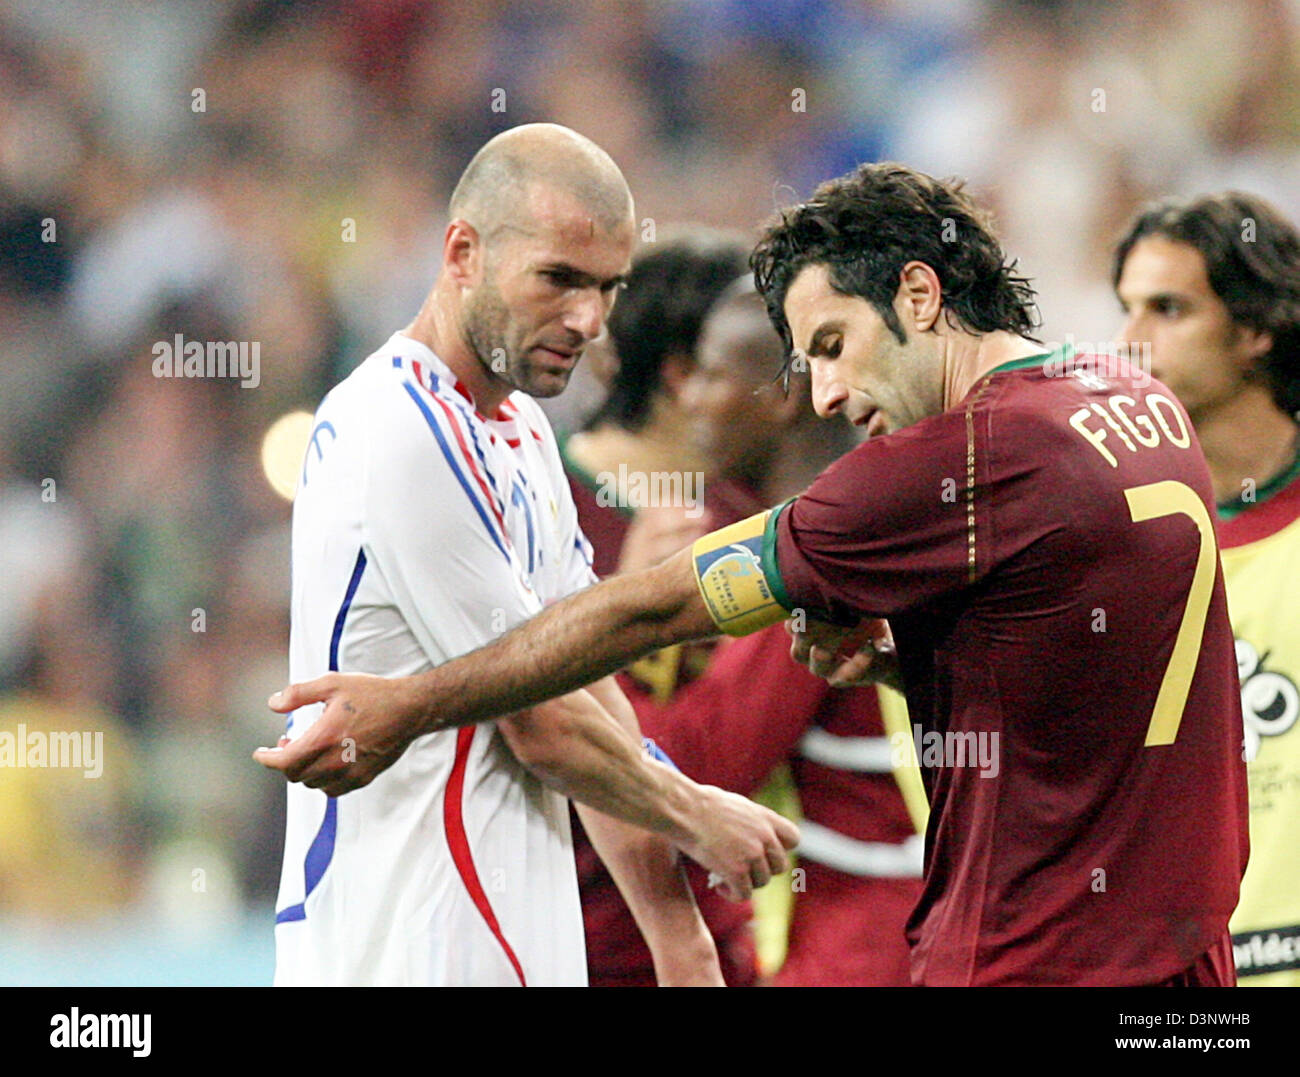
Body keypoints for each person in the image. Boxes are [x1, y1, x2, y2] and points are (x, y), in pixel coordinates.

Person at [259, 162, 1249, 986]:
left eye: (832, 345)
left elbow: (657, 608)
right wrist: (909, 661)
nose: (820, 394)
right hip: (1187, 954)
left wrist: (413, 702)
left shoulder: (949, 464)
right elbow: (1081, 665)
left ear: (916, 293)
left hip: (1033, 952)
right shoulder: (1131, 396)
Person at [261, 122, 797, 986]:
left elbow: (585, 683)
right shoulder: (396, 427)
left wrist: (676, 932)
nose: (587, 318)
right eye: (558, 278)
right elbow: (540, 721)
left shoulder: (519, 435)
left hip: (507, 937)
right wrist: (697, 814)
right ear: (463, 252)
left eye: (606, 287)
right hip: (406, 941)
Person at [1114, 191, 1300, 987]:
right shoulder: (1117, 548)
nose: (1130, 342)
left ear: (1256, 327)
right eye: (1126, 308)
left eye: (1168, 308)